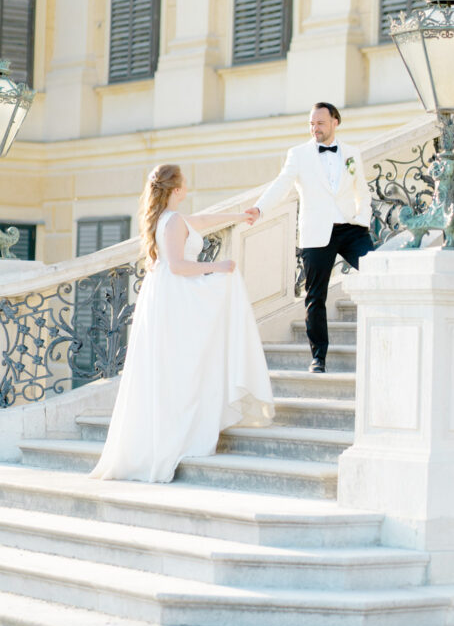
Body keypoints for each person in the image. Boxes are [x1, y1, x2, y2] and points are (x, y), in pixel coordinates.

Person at [90, 163, 274, 483]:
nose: (187, 187)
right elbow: (177, 266)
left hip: (168, 295)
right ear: (176, 189)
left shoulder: (169, 218)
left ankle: (181, 430)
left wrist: (239, 216)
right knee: (183, 367)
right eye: (184, 183)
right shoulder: (172, 220)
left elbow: (201, 221)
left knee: (179, 367)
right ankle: (179, 436)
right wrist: (218, 266)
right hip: (177, 297)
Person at [247, 102, 374, 374]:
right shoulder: (298, 154)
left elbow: (362, 191)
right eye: (312, 124)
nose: (315, 128)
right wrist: (259, 209)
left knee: (378, 273)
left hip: (351, 229)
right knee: (315, 297)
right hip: (317, 233)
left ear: (335, 122)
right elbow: (281, 184)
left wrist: (363, 218)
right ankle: (318, 358)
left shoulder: (352, 153)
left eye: (320, 123)